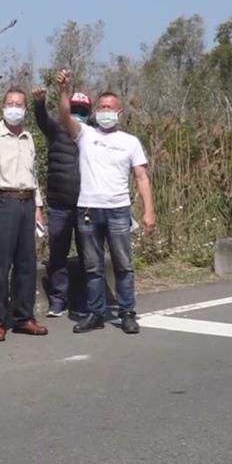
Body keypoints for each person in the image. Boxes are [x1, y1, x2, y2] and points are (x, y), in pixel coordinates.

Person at [56, 70, 156, 334]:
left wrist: (149, 212)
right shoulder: (85, 134)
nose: (105, 111)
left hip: (118, 210)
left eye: (110, 108)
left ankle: (127, 313)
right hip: (88, 208)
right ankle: (96, 313)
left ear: (120, 113)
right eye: (101, 107)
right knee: (92, 266)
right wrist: (64, 90)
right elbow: (65, 115)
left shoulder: (130, 142)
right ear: (95, 111)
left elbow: (142, 177)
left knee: (123, 264)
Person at [0, 88, 48, 342]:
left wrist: (38, 207)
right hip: (2, 202)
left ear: (25, 109)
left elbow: (33, 175)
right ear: (3, 106)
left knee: (27, 264)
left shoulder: (28, 137)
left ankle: (24, 317)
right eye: (10, 103)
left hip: (26, 203)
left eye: (19, 104)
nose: (14, 107)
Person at [31, 86, 91, 318]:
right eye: (74, 109)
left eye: (83, 111)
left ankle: (86, 300)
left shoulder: (93, 134)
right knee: (58, 255)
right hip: (59, 204)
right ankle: (58, 300)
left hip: (87, 204)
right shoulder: (56, 130)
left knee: (89, 254)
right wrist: (39, 102)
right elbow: (42, 119)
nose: (78, 114)